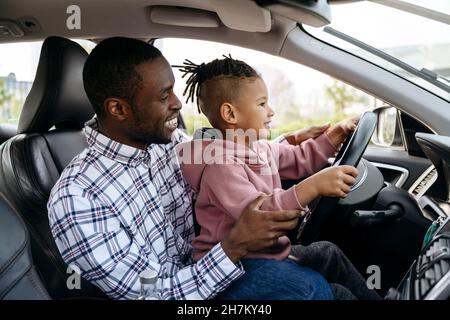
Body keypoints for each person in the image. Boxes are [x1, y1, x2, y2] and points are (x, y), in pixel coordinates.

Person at [47, 37, 377, 300]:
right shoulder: (78, 198)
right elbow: (150, 294)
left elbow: (237, 151)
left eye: (174, 89)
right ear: (118, 109)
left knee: (331, 271)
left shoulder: (172, 143)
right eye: (164, 96)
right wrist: (233, 246)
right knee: (314, 291)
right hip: (200, 287)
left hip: (226, 262)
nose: (177, 103)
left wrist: (292, 141)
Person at [174, 56, 379, 300]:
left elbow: (300, 158)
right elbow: (260, 216)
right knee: (335, 294)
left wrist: (332, 137)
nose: (270, 112)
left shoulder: (260, 147)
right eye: (262, 104)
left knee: (328, 253)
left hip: (265, 252)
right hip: (235, 267)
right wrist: (313, 186)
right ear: (230, 113)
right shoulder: (220, 165)